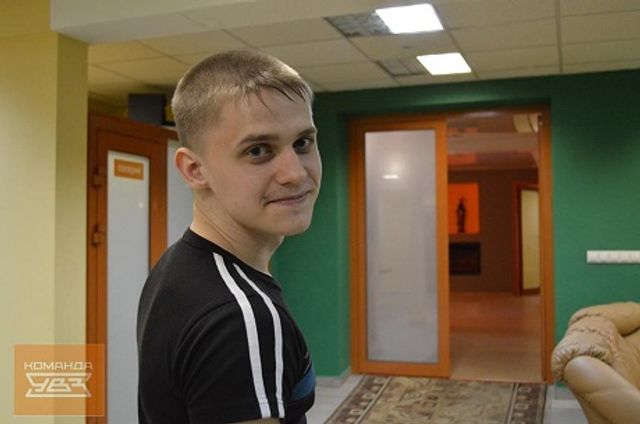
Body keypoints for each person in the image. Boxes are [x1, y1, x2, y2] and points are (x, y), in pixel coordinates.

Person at [137, 50, 321, 424]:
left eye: (303, 143)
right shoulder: (244, 318)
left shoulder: (178, 263)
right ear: (194, 169)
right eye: (259, 150)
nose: (295, 173)